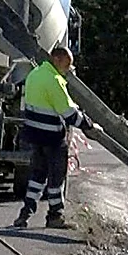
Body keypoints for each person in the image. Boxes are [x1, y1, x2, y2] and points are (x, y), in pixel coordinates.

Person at [13, 45, 100, 229]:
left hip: (35, 136)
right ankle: (55, 216)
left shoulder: (34, 75)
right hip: (53, 137)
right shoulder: (54, 81)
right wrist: (89, 125)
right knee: (56, 179)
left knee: (37, 176)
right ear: (57, 60)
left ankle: (25, 213)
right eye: (67, 65)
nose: (68, 70)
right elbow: (69, 114)